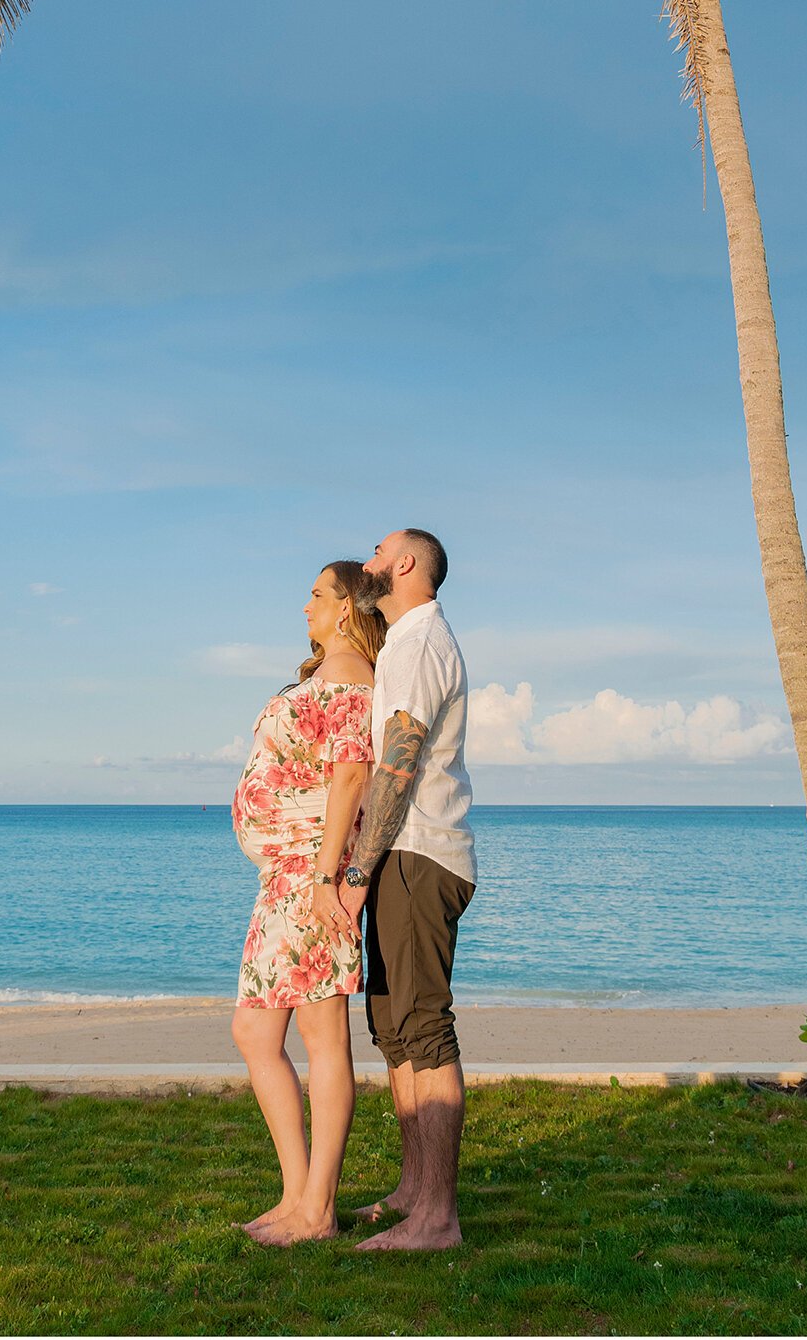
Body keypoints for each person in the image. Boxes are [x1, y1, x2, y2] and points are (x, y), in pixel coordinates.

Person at [230, 560, 386, 1244]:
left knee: (322, 1039)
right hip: (286, 879)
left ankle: (316, 1208)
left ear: (347, 606)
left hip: (311, 878)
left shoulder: (352, 678)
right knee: (256, 1033)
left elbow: (352, 776)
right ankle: (296, 1195)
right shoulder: (327, 676)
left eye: (317, 595)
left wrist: (328, 878)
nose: (305, 607)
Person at [339, 527, 475, 1251]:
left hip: (419, 851)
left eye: (375, 551)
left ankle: (439, 1219)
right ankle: (412, 1192)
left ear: (406, 564)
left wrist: (358, 872)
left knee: (422, 1027)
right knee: (391, 1030)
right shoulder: (399, 644)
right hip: (398, 853)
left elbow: (397, 765)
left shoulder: (421, 642)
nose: (365, 563)